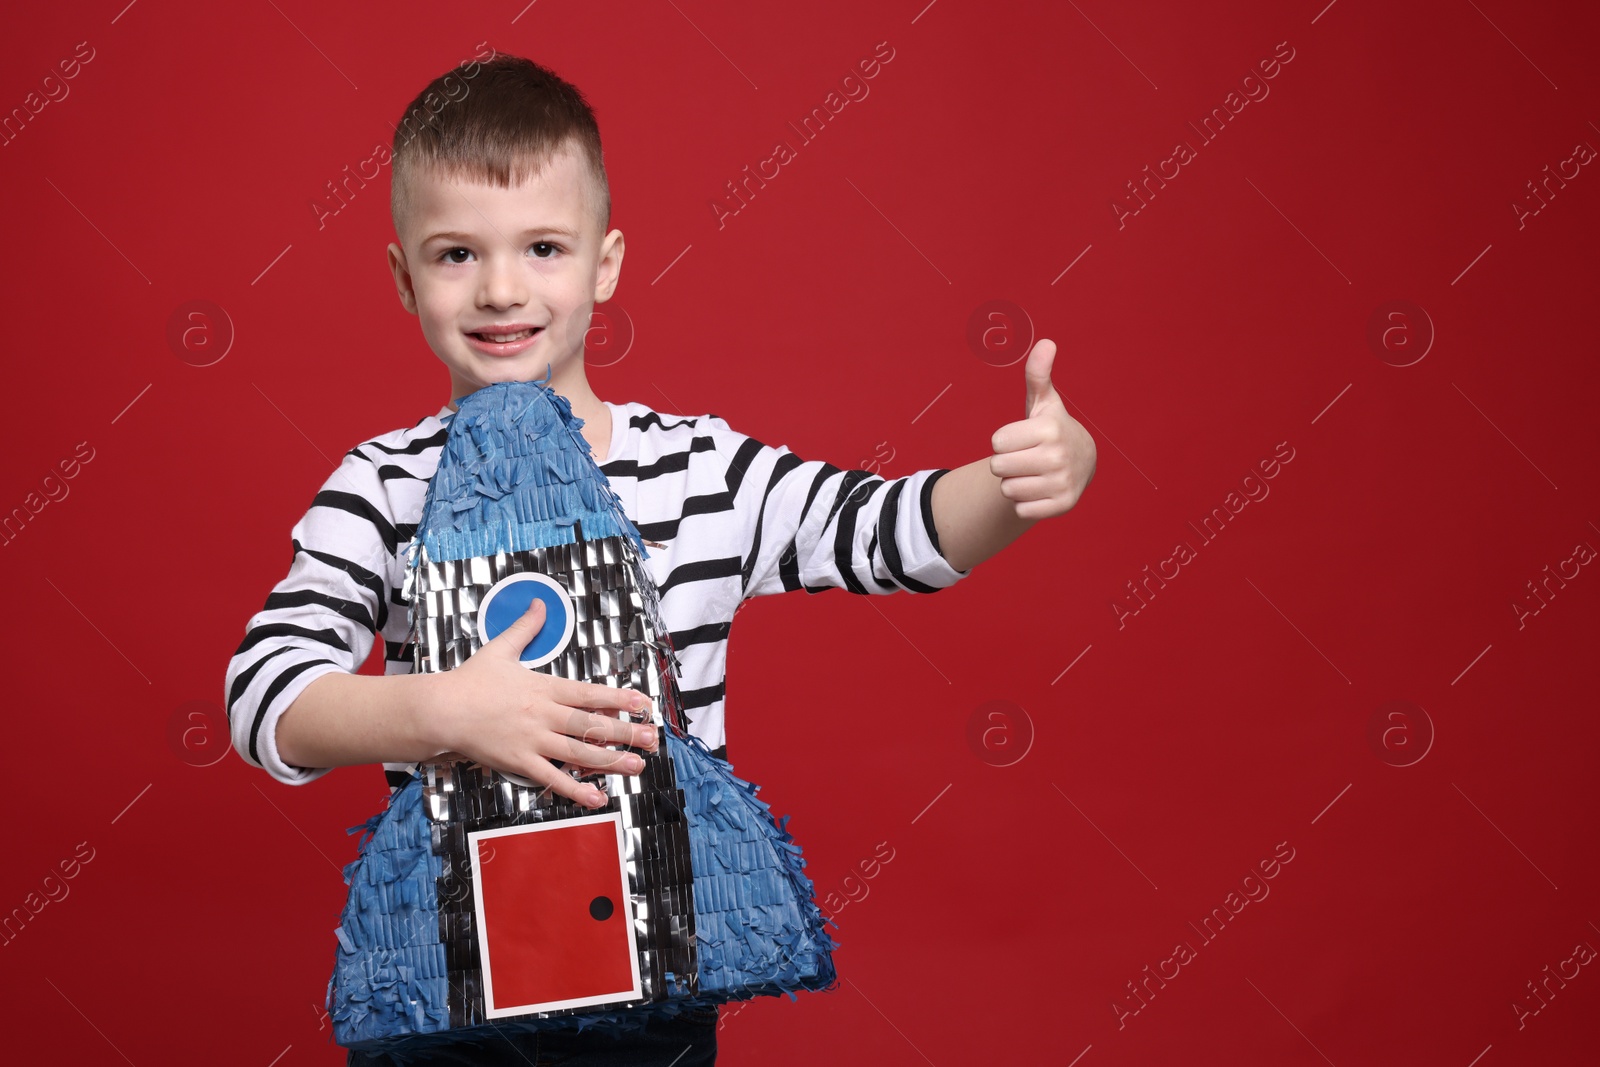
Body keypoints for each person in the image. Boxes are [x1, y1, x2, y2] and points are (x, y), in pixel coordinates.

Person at [223, 47, 1095, 1067]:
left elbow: (889, 531)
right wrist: (440, 711)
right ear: (402, 273)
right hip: (447, 982)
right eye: (457, 253)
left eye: (544, 246)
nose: (502, 288)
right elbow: (263, 696)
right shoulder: (378, 485)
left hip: (656, 980)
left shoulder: (697, 469)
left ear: (606, 262)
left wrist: (1019, 484)